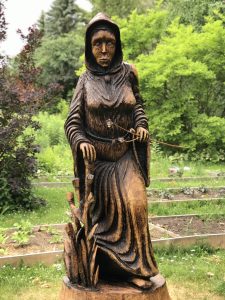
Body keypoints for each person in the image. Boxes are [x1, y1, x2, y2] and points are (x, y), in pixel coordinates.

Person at [65, 12, 159, 289]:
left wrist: (141, 124)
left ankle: (137, 270)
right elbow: (73, 122)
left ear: (117, 45)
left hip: (125, 157)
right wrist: (81, 141)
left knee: (137, 205)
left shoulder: (129, 73)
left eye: (110, 42)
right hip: (98, 165)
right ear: (89, 48)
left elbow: (138, 105)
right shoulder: (84, 81)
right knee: (99, 223)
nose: (104, 49)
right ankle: (111, 273)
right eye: (97, 43)